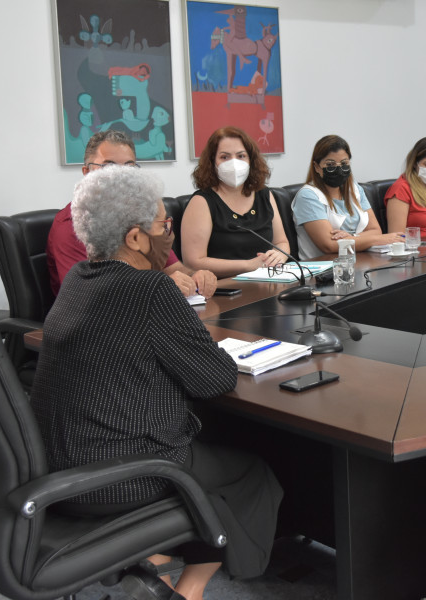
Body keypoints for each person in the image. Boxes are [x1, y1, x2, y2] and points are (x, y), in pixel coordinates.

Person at [31, 166, 283, 600]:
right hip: (125, 475)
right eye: (163, 224)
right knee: (253, 474)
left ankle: (157, 565)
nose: (170, 234)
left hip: (59, 468)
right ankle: (188, 591)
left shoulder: (77, 280)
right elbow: (215, 379)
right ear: (134, 238)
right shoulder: (149, 289)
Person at [47, 130, 216, 298]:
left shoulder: (143, 214)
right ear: (86, 173)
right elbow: (86, 294)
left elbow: (174, 268)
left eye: (129, 168)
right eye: (109, 167)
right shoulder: (73, 224)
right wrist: (160, 284)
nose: (122, 177)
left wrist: (198, 276)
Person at [181, 127, 290, 278]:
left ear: (251, 159)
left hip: (268, 280)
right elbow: (193, 261)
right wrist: (248, 265)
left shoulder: (264, 195)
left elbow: (281, 242)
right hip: (225, 288)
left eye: (241, 156)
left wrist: (279, 256)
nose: (234, 163)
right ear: (212, 162)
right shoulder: (202, 202)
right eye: (225, 157)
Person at [292, 135, 404, 259]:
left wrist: (351, 238)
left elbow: (375, 230)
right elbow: (329, 245)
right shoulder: (308, 196)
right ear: (317, 167)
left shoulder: (355, 189)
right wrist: (376, 240)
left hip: (360, 262)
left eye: (344, 163)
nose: (339, 169)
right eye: (330, 164)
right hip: (324, 270)